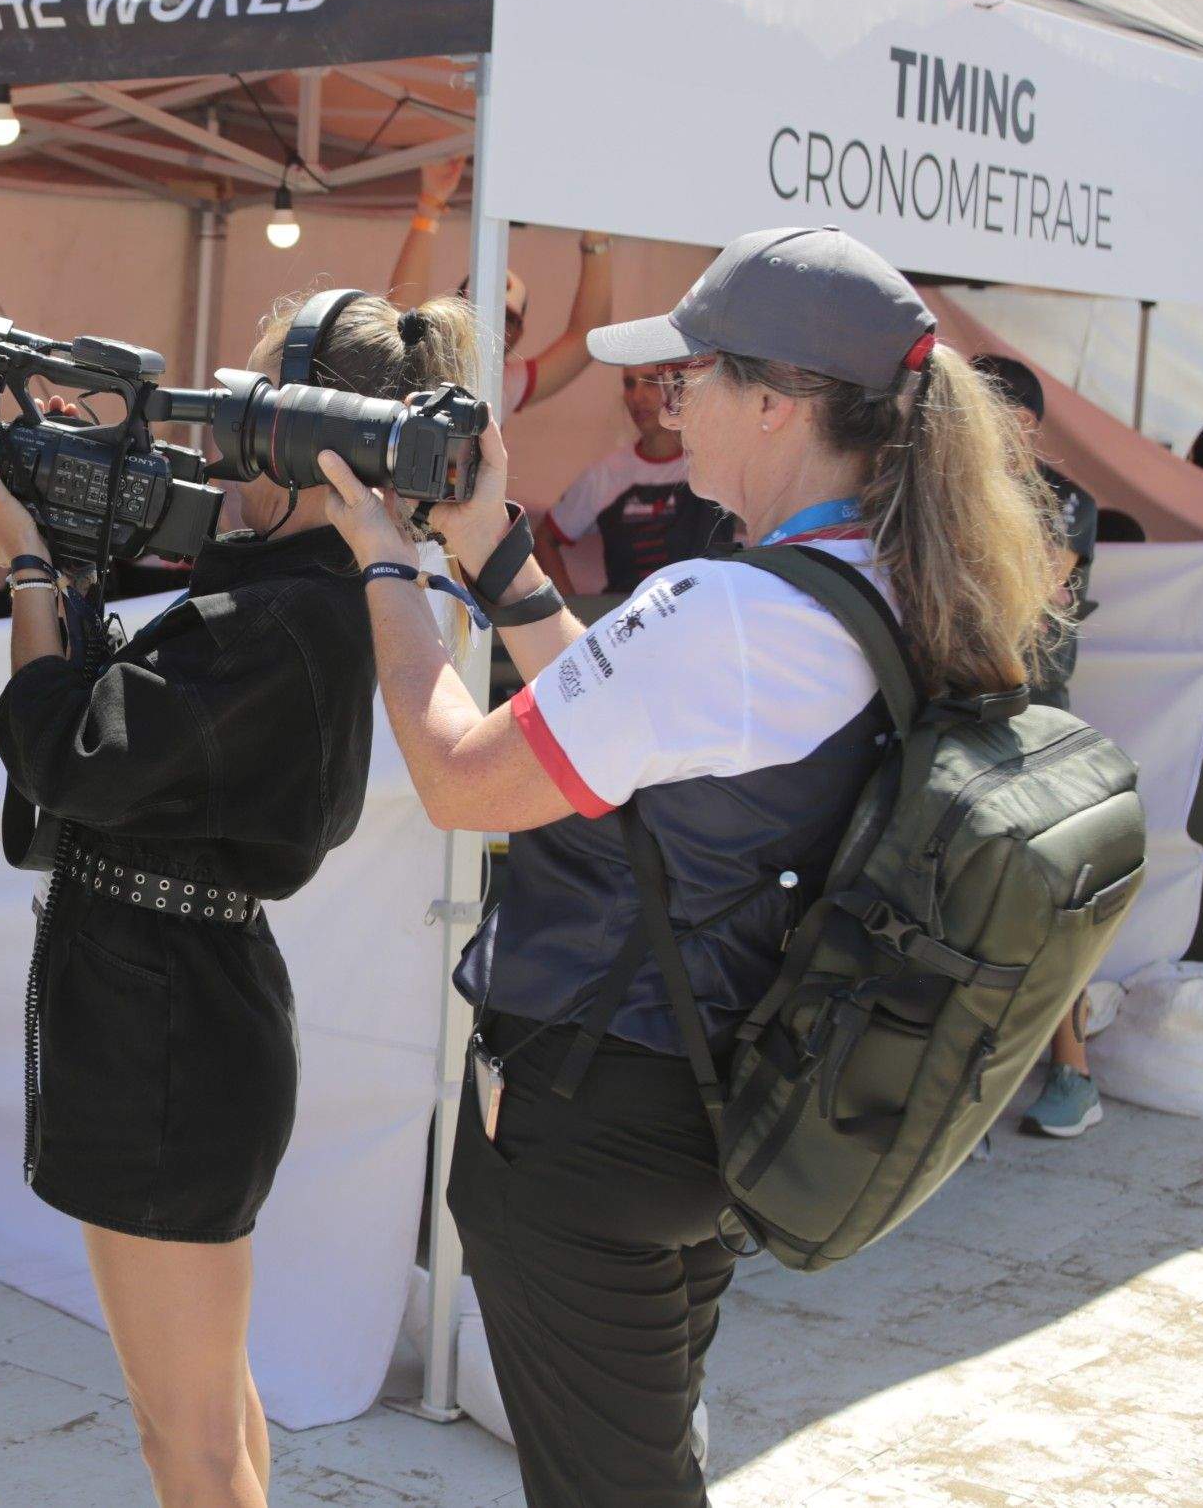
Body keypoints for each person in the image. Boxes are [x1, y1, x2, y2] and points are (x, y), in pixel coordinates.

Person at [315, 226, 1061, 1507]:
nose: (671, 401)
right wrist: (494, 552)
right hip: (722, 1096)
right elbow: (651, 734)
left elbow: (457, 775)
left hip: (597, 1121)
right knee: (644, 1459)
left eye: (692, 374)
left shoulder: (725, 610)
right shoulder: (887, 582)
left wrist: (385, 566)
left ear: (775, 402)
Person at [0, 289, 475, 1508]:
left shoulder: (281, 612)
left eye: (249, 405)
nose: (216, 430)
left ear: (306, 438)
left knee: (180, 1442)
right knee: (210, 1410)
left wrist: (29, 563)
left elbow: (67, 749)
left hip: (166, 1029)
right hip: (171, 1008)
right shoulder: (287, 590)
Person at [974, 354, 1106, 1137]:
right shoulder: (944, 493)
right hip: (960, 726)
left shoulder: (1065, 503)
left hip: (1039, 731)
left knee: (1054, 905)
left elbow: (1029, 590)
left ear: (1021, 424)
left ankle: (1074, 1072)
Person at [388, 155, 611, 413]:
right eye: (479, 310)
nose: (494, 323)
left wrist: (597, 227)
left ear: (519, 334)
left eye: (508, 318)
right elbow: (400, 322)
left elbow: (587, 339)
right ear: (455, 313)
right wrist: (429, 206)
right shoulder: (430, 362)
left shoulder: (505, 383)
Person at [539, 363, 736, 597]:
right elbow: (543, 540)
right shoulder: (606, 474)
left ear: (680, 386)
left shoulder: (718, 463)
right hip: (629, 625)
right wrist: (573, 614)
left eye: (651, 382)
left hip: (704, 621)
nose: (637, 397)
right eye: (629, 384)